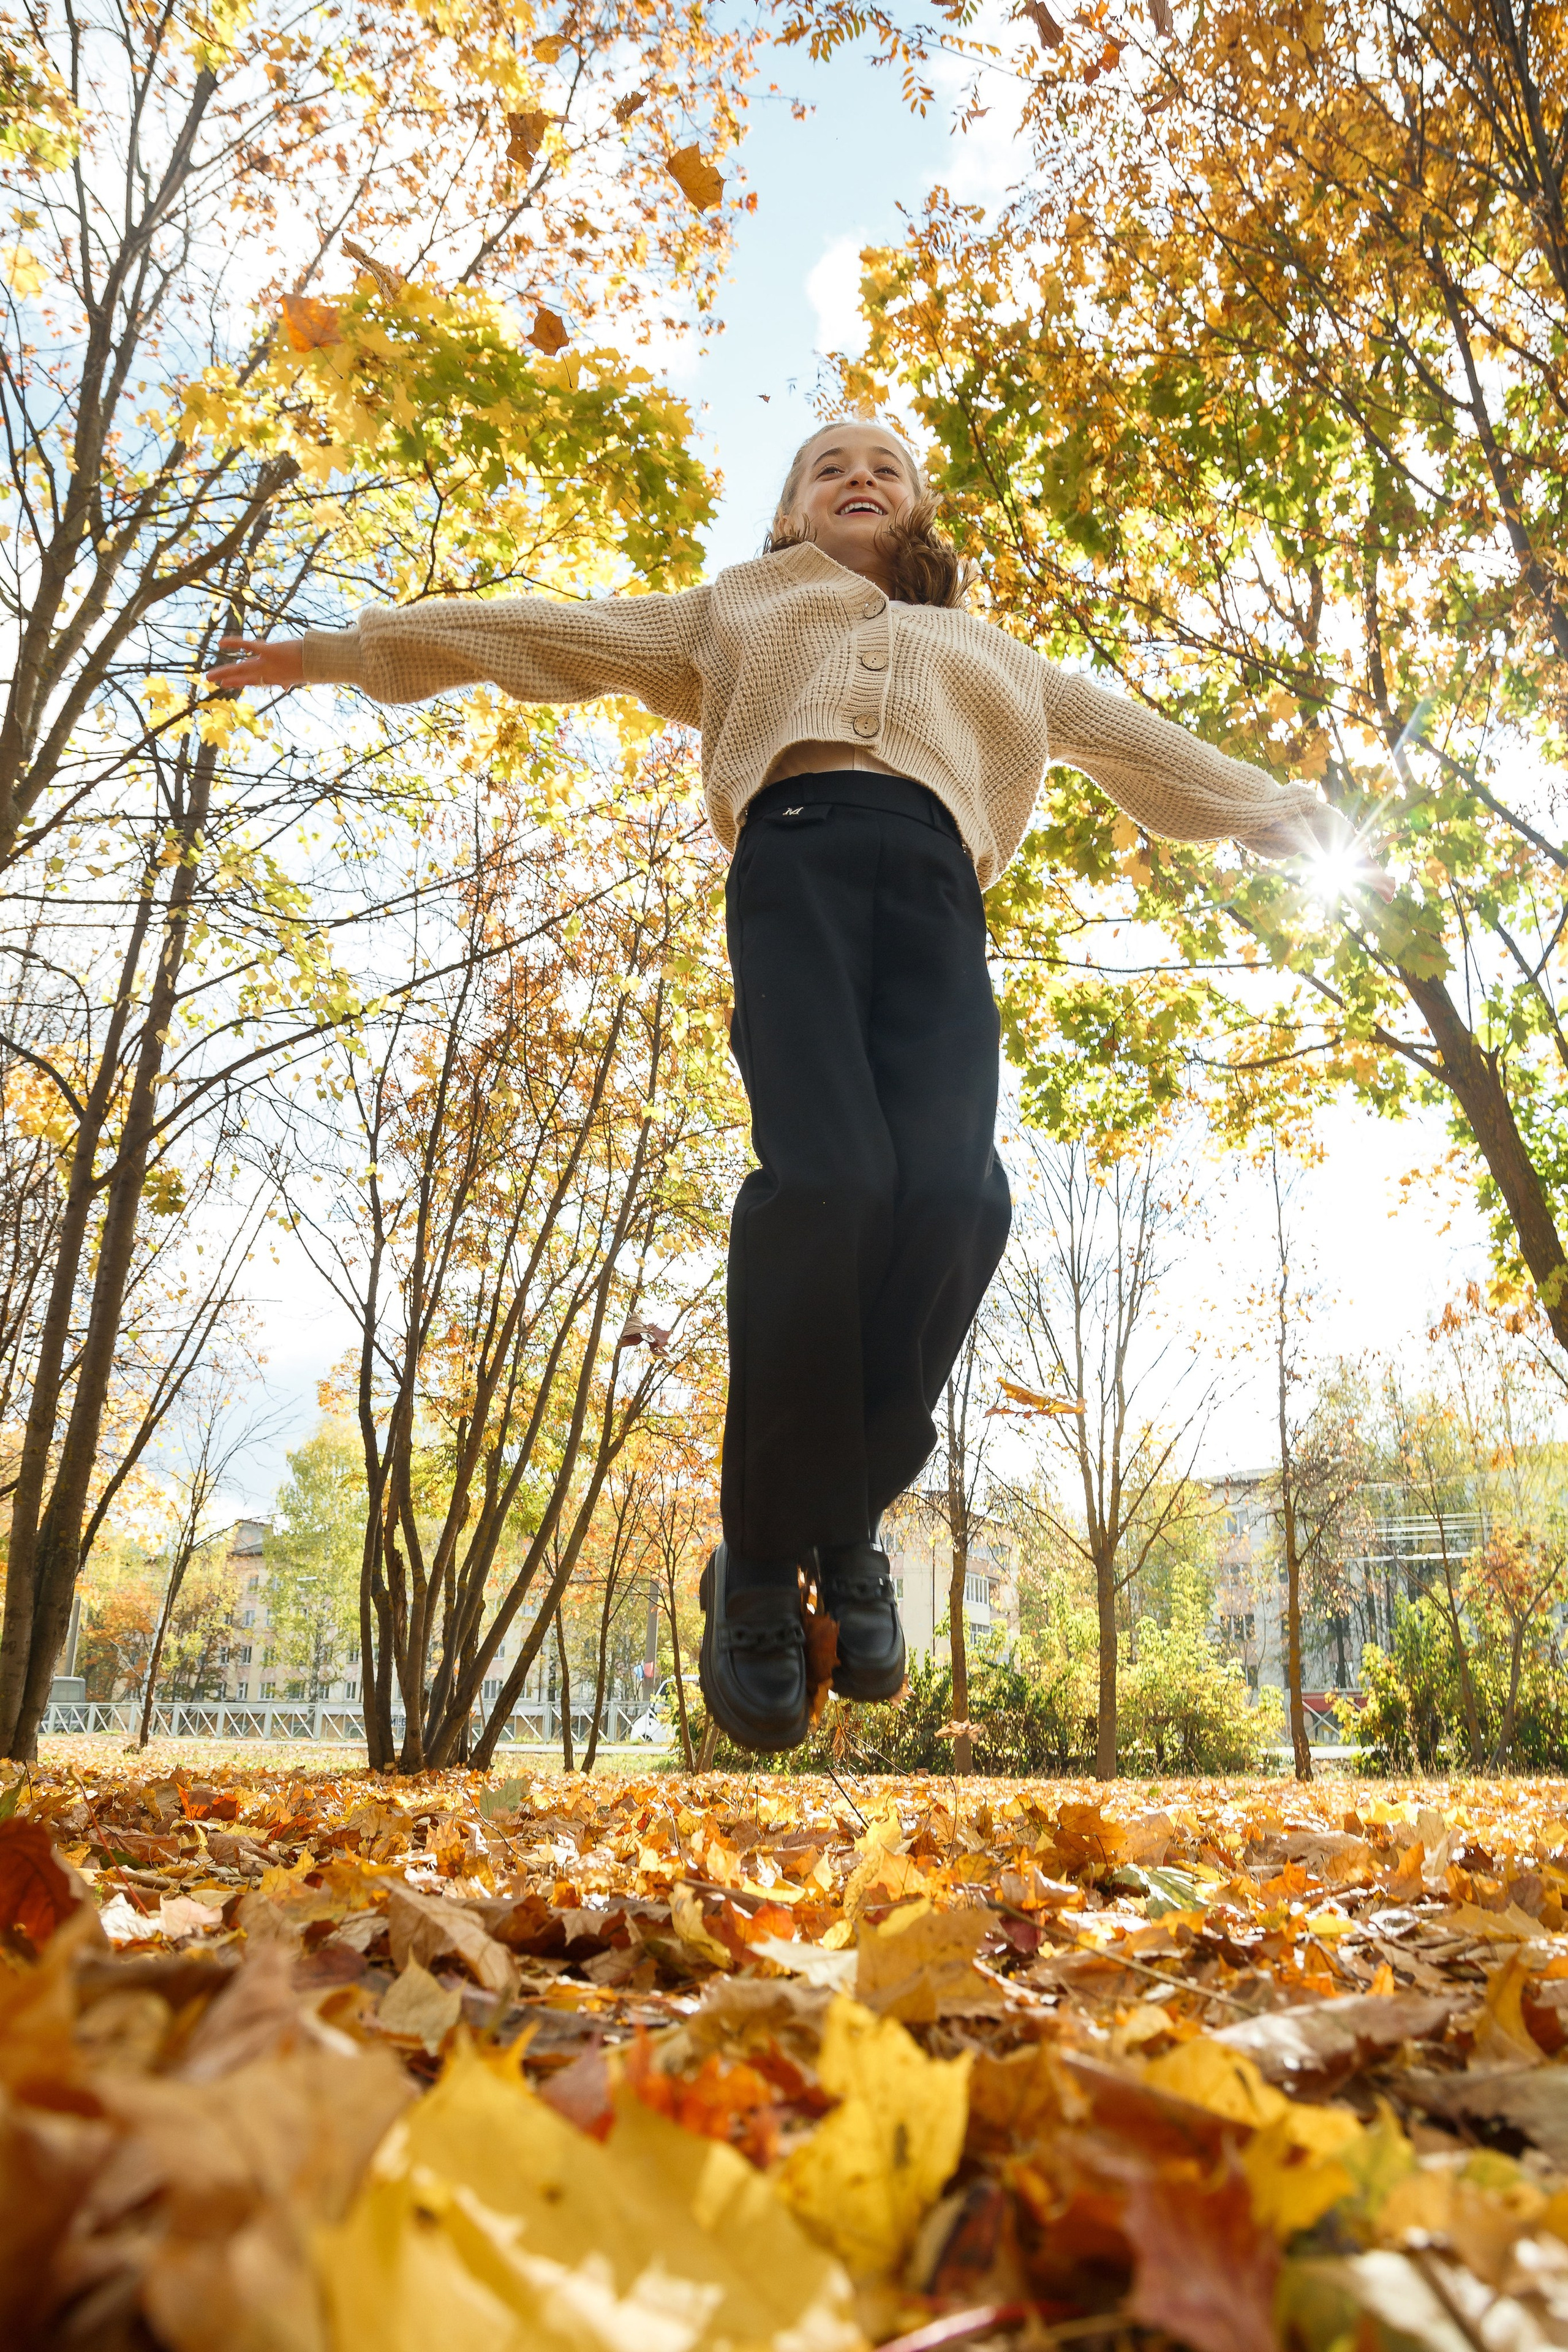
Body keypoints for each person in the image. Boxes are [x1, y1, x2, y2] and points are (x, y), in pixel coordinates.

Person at [207, 416, 1385, 1755]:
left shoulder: (997, 656)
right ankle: (770, 1568)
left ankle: (830, 1517)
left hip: (938, 899)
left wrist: (1281, 815)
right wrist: (348, 653)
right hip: (797, 865)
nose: (858, 478)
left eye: (883, 466)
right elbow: (547, 636)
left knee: (954, 1199)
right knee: (829, 1183)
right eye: (828, 466)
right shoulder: (734, 612)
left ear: (918, 510)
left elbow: (1147, 751)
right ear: (790, 512)